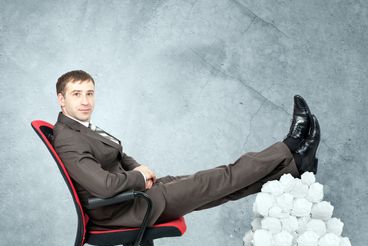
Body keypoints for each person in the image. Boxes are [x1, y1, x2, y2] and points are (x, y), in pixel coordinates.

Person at [53, 70, 320, 229]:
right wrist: (139, 177)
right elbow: (105, 186)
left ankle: (294, 167)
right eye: (77, 94)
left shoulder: (82, 128)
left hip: (137, 195)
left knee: (222, 186)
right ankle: (289, 146)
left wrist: (138, 169)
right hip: (125, 208)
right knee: (221, 178)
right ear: (61, 99)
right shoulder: (68, 139)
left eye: (90, 93)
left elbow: (119, 155)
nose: (86, 101)